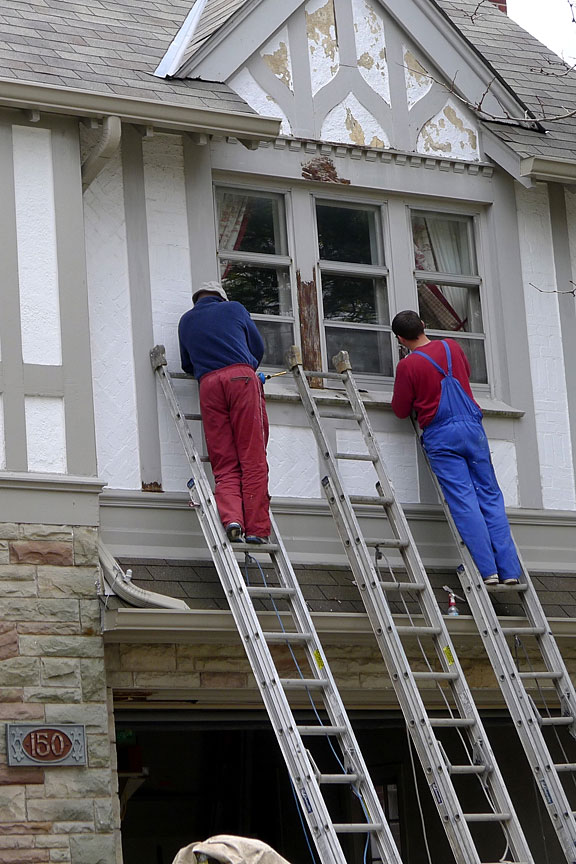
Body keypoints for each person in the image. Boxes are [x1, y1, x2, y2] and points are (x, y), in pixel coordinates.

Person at [390, 310, 520, 586]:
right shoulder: (452, 346)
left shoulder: (408, 366)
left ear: (401, 339)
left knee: (463, 501)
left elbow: (401, 410)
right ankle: (509, 570)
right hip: (473, 430)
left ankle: (488, 571)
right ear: (424, 326)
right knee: (490, 497)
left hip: (441, 435)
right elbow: (465, 376)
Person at [178, 281, 271, 544]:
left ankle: (232, 519)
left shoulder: (186, 321)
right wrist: (248, 368)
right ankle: (256, 529)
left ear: (198, 300)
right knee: (252, 457)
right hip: (241, 378)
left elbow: (187, 364)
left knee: (224, 461)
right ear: (220, 297)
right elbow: (257, 348)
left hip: (208, 384)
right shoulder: (235, 308)